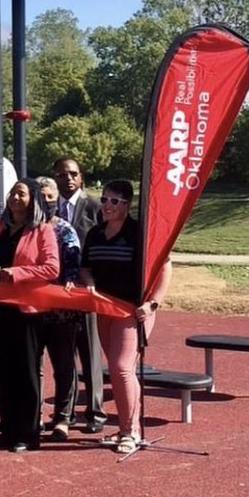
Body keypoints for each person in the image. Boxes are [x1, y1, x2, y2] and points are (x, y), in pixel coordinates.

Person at [79, 179, 172, 455]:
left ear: (127, 204)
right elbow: (86, 268)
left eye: (114, 201)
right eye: (105, 199)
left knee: (121, 368)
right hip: (105, 307)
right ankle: (124, 427)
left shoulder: (138, 233)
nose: (107, 205)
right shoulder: (95, 234)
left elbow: (166, 266)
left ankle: (130, 431)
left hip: (134, 309)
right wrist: (89, 282)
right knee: (120, 370)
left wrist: (153, 303)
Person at [0, 178, 59, 452]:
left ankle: (27, 433)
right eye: (12, 193)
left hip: (29, 311)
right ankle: (8, 428)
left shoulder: (42, 231)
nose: (15, 198)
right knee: (5, 371)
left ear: (33, 200)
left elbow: (52, 268)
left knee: (26, 371)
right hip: (1, 308)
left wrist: (16, 274)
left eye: (21, 193)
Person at [52, 156, 106, 432]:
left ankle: (95, 413)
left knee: (89, 352)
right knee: (64, 354)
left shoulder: (95, 206)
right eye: (62, 174)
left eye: (73, 173)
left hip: (87, 289)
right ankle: (66, 411)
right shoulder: (49, 208)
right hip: (56, 292)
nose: (68, 179)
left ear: (81, 177)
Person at [35, 176, 83, 442]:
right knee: (34, 366)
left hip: (62, 310)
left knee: (63, 364)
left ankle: (63, 417)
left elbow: (73, 267)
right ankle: (35, 414)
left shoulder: (65, 230)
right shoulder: (27, 229)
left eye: (50, 197)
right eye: (40, 196)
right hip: (32, 309)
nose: (45, 201)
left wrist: (69, 283)